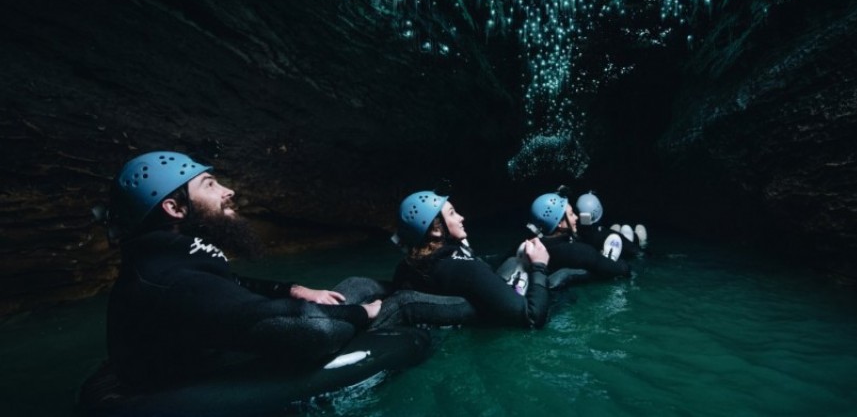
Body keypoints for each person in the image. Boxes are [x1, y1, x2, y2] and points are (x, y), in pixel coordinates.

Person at [92, 151, 390, 393]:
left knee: (357, 284)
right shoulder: (169, 279)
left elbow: (228, 284)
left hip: (214, 347)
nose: (228, 191)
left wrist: (292, 289)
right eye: (210, 184)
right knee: (367, 298)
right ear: (175, 208)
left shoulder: (167, 257)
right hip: (182, 387)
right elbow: (309, 328)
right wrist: (364, 314)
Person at [391, 190, 552, 329]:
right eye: (452, 213)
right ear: (435, 230)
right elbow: (532, 317)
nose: (462, 217)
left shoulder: (406, 266)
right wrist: (539, 266)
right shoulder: (466, 269)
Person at [527, 190, 632, 282]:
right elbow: (622, 269)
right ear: (559, 223)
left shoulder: (528, 246)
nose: (577, 217)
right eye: (572, 214)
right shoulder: (579, 251)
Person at [574, 190, 648, 260]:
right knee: (630, 230)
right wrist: (644, 252)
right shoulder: (606, 234)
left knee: (618, 229)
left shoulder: (576, 234)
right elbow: (638, 252)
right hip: (623, 245)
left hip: (609, 244)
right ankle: (642, 241)